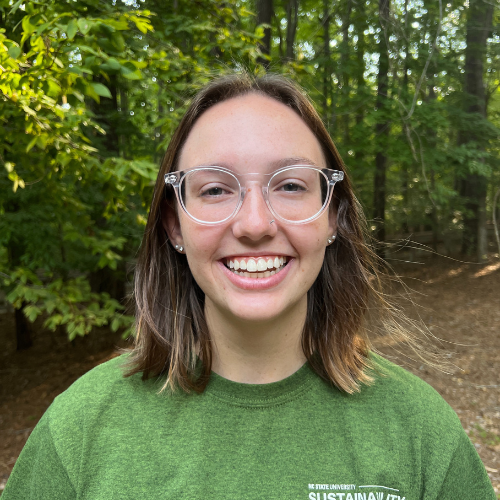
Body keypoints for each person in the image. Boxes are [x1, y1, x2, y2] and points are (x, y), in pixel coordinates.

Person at [3, 73, 495, 500]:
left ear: (332, 218)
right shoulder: (80, 430)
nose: (255, 223)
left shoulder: (419, 432)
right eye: (215, 189)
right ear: (175, 226)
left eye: (290, 185)